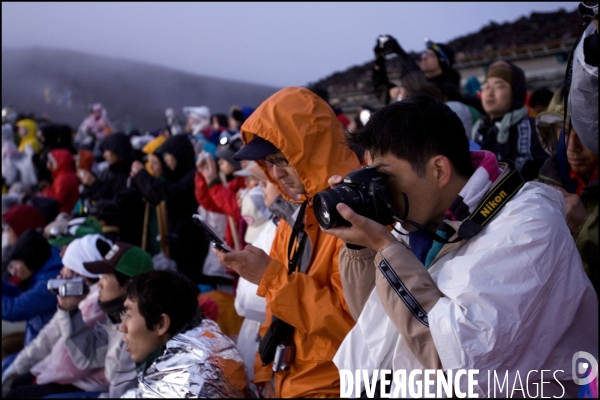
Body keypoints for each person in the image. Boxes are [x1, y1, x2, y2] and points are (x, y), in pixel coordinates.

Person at [323, 94, 597, 397]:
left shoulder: (526, 228)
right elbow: (375, 322)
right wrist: (360, 247)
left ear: (439, 170)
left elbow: (459, 361)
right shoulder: (417, 222)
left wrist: (386, 248)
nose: (380, 188)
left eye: (384, 176)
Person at [215, 87, 359, 398]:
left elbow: (351, 323)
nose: (276, 173)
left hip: (332, 387)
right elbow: (275, 311)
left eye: (283, 159)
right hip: (288, 382)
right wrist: (264, 370)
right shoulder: (298, 213)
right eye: (270, 162)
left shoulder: (359, 215)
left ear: (312, 151)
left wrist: (269, 276)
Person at [2, 234, 112, 398]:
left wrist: (37, 373)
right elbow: (51, 333)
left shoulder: (94, 305)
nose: (61, 271)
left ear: (78, 272)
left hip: (79, 381)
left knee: (15, 389)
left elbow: (69, 363)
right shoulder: (85, 297)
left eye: (66, 266)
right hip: (57, 367)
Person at [117, 270, 255, 398]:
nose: (122, 327)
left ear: (161, 324)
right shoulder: (202, 344)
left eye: (129, 315)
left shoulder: (185, 384)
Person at [54, 241, 154, 398]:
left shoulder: (138, 333)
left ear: (129, 286)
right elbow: (88, 355)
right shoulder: (117, 319)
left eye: (106, 276)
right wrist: (69, 310)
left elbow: (121, 394)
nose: (99, 283)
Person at [535, 88, 598, 294]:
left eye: (583, 132)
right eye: (563, 130)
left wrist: (582, 227)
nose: (572, 145)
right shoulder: (537, 187)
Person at [130, 134, 209, 283]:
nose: (166, 159)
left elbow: (165, 193)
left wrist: (142, 175)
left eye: (169, 154)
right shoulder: (177, 175)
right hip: (177, 240)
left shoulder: (193, 176)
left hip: (191, 242)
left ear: (179, 154)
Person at [470, 60, 548, 181]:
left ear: (515, 92)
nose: (489, 93)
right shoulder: (478, 130)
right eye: (486, 86)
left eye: (499, 86)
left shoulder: (535, 130)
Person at [2, 229, 63, 368]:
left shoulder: (50, 282)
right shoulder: (45, 265)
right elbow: (20, 295)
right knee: (5, 344)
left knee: (6, 367)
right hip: (37, 336)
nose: (14, 269)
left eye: (17, 263)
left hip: (47, 350)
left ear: (29, 259)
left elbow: (15, 309)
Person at [78, 132, 144, 247]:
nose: (104, 156)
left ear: (117, 151)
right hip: (101, 226)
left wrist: (96, 185)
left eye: (106, 151)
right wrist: (88, 187)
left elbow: (122, 206)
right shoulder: (107, 172)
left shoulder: (133, 174)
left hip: (125, 234)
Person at [41, 148, 80, 213]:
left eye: (52, 162)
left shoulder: (63, 178)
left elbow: (58, 199)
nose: (49, 164)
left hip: (66, 211)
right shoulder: (66, 174)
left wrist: (46, 190)